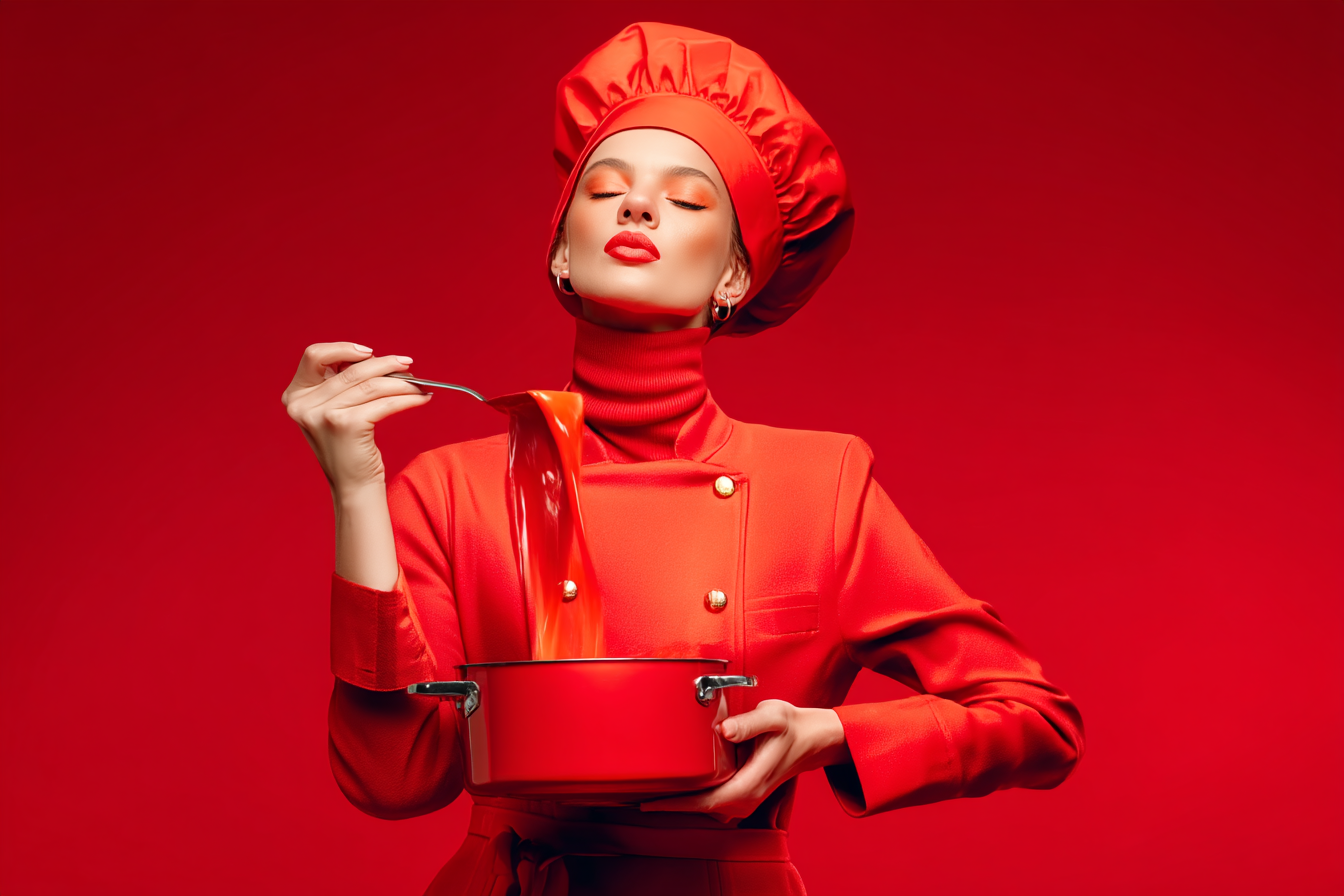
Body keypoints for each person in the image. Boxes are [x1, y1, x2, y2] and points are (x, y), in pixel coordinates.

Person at [281, 23, 1083, 896]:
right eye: (606, 189)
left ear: (736, 277)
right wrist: (355, 488)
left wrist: (830, 735)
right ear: (561, 252)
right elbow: (392, 777)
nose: (636, 208)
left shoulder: (819, 489)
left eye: (689, 201)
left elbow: (1038, 721)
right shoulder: (451, 489)